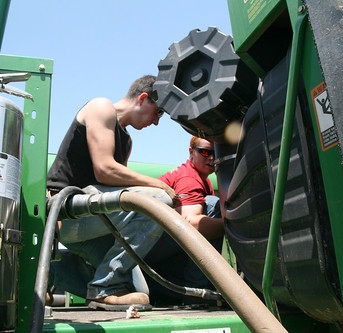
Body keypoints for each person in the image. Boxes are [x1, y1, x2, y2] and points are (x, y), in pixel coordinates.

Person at [47, 75, 176, 310]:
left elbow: (118, 191)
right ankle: (103, 288)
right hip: (64, 211)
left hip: (93, 218)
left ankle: (50, 271)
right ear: (143, 98)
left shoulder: (126, 141)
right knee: (159, 200)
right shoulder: (101, 107)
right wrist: (155, 184)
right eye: (158, 112)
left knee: (139, 292)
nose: (157, 122)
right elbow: (105, 170)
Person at [143, 135, 224, 304]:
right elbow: (191, 224)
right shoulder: (189, 178)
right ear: (191, 153)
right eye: (204, 152)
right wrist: (233, 225)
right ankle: (197, 293)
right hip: (143, 245)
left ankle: (183, 291)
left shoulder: (204, 180)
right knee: (213, 207)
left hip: (151, 245)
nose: (211, 158)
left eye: (215, 153)